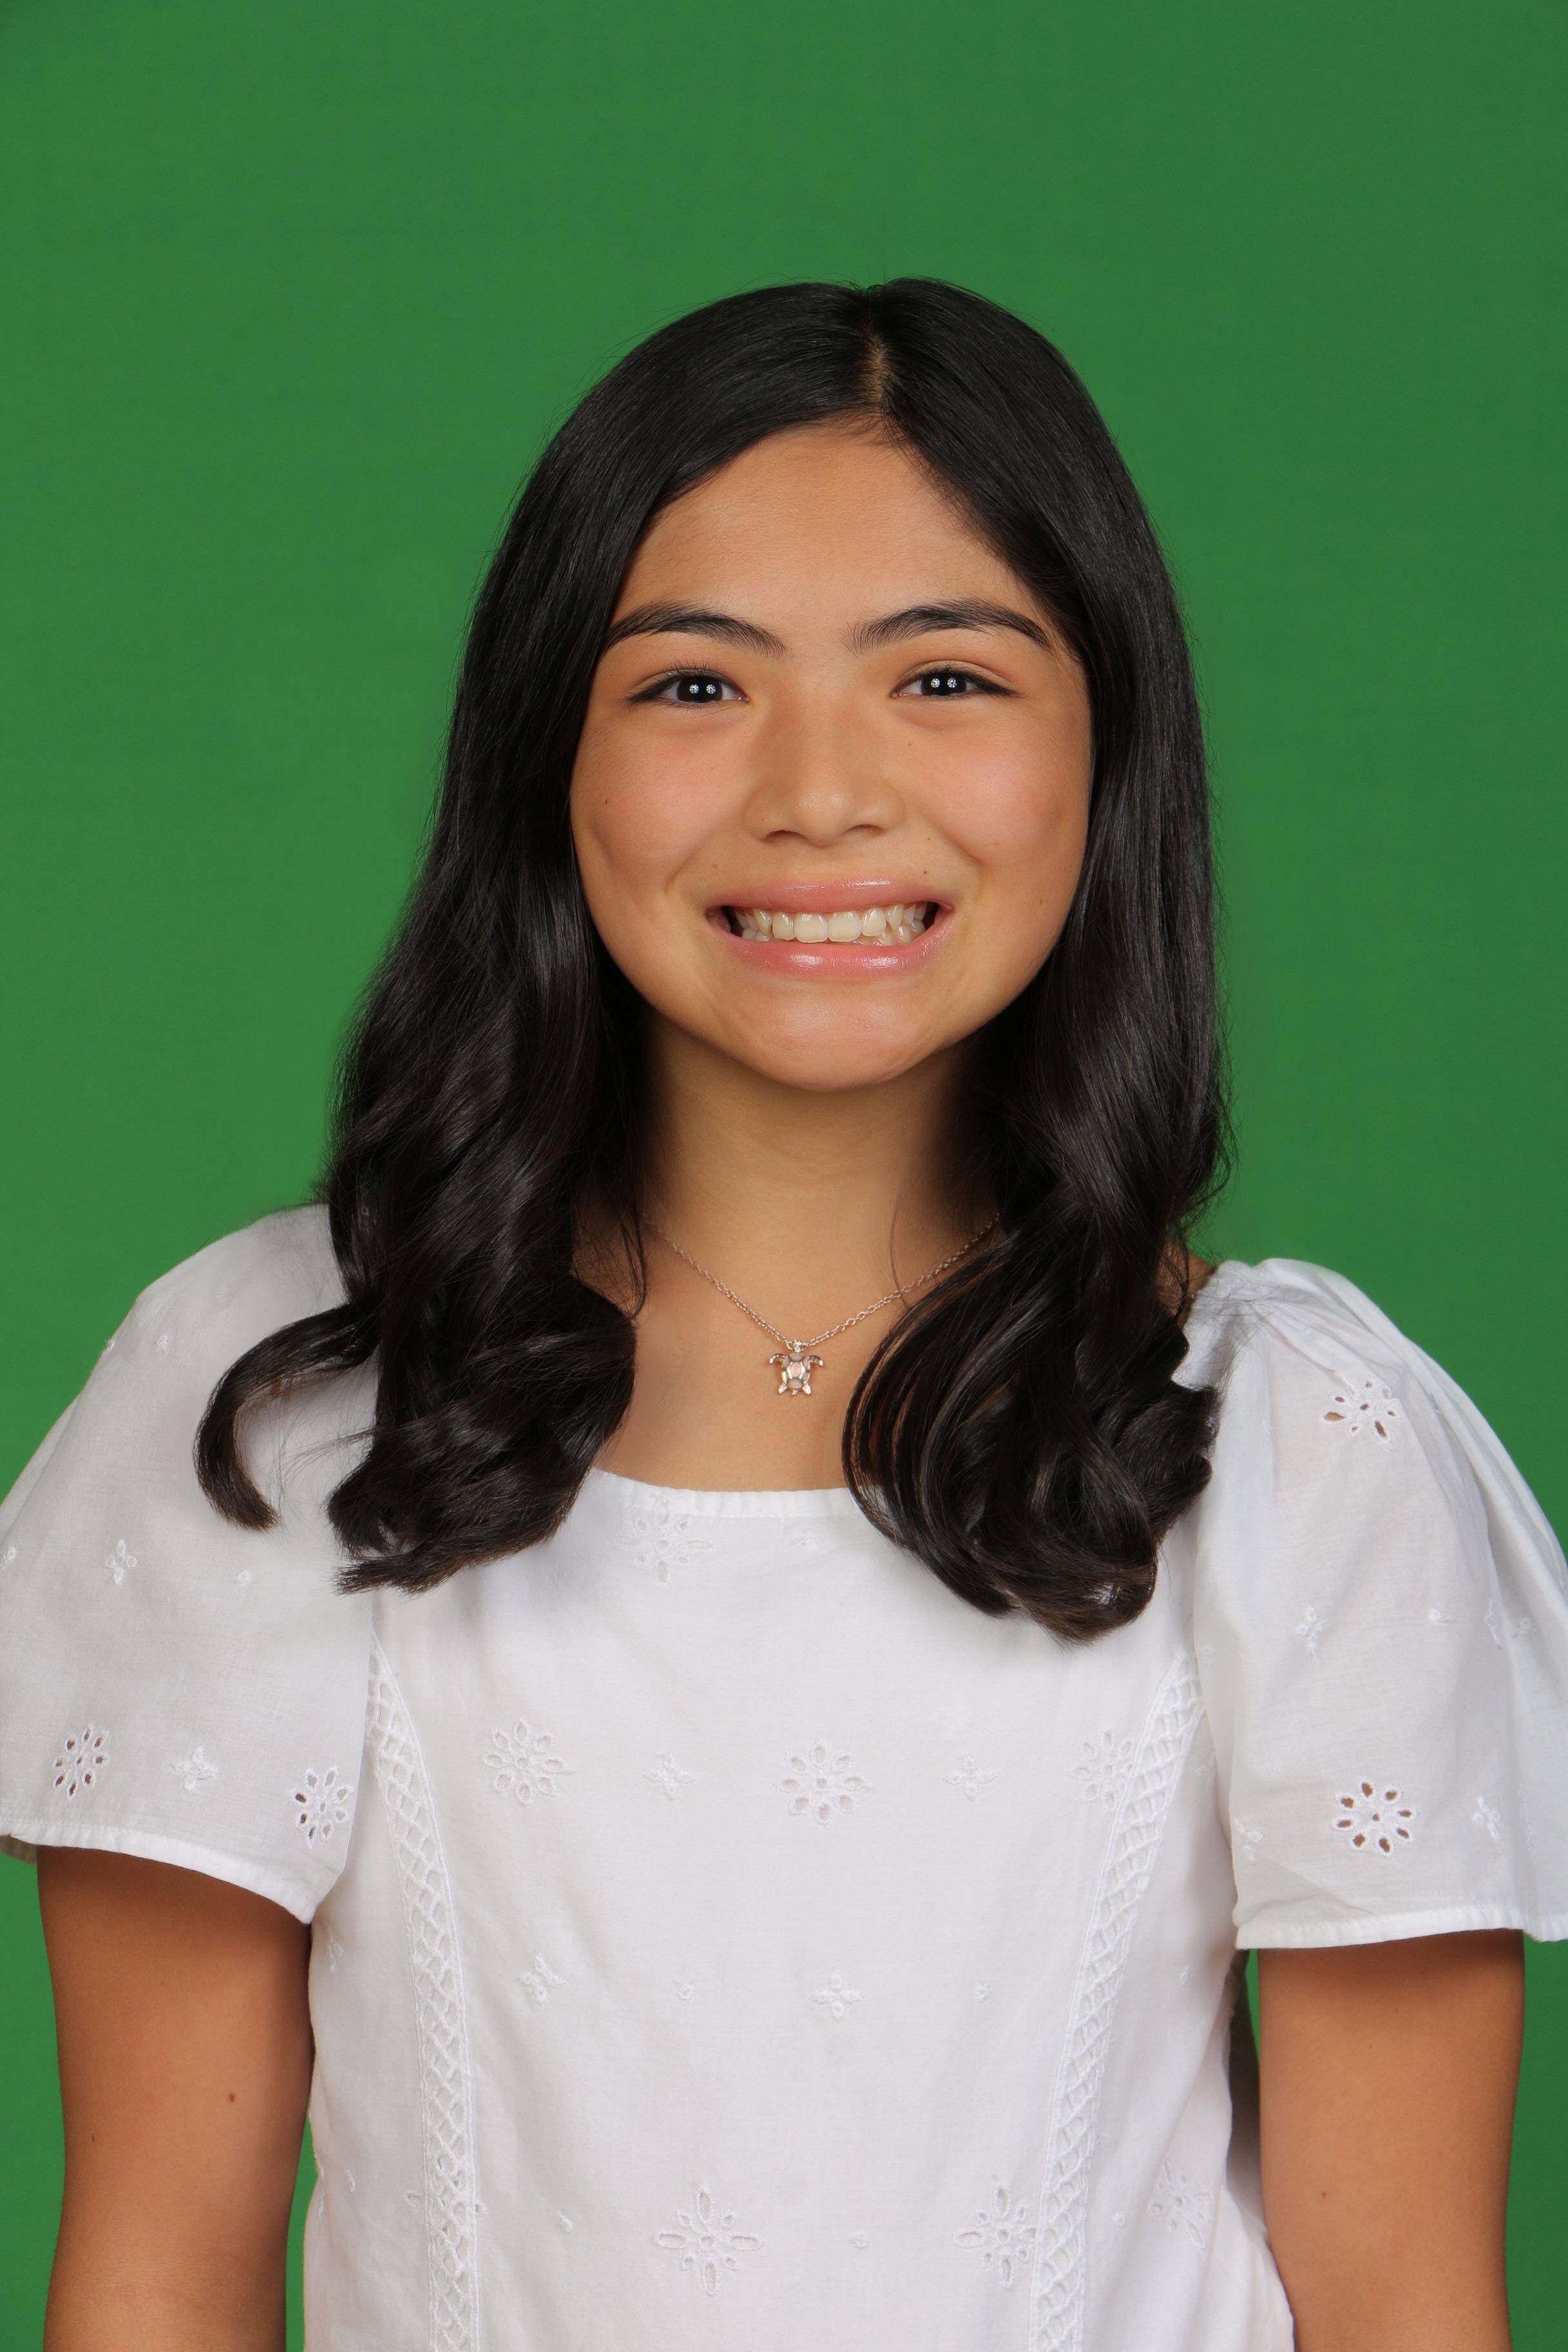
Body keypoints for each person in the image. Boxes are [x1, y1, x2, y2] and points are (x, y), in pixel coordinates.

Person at [2, 279, 1562, 2352]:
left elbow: (1403, 2300)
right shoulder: (282, 1407)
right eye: (692, 685)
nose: (821, 793)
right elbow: (161, 2275)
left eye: (946, 677)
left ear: (1108, 749)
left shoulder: (1295, 1444)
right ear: (546, 756)